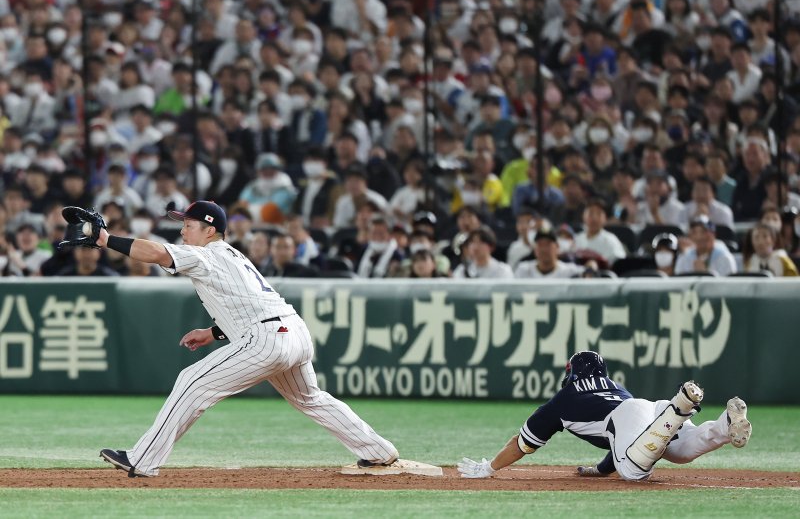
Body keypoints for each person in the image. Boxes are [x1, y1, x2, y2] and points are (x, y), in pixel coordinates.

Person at [97, 201, 400, 477]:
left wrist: (106, 240)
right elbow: (247, 303)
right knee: (312, 399)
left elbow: (157, 253)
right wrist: (213, 332)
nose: (183, 230)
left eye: (189, 225)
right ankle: (378, 451)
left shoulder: (209, 254)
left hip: (267, 338)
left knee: (192, 381)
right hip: (293, 331)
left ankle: (143, 458)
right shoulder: (233, 255)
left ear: (210, 230)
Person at [458, 351, 752, 481]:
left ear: (572, 372)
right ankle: (726, 426)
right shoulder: (614, 386)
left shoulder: (563, 399)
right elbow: (619, 440)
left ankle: (679, 408)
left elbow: (522, 443)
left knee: (634, 472)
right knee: (682, 450)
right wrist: (599, 471)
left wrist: (490, 467)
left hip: (634, 416)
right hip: (649, 408)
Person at [573, 198, 627, 265]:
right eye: (591, 213)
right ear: (583, 216)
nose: (594, 218)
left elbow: (619, 263)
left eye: (599, 214)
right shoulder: (577, 239)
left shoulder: (611, 240)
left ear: (605, 218)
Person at [514, 227, 585, 279]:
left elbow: (587, 272)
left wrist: (591, 266)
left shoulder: (569, 271)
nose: (544, 249)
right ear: (535, 250)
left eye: (548, 244)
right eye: (540, 244)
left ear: (557, 247)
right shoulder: (523, 270)